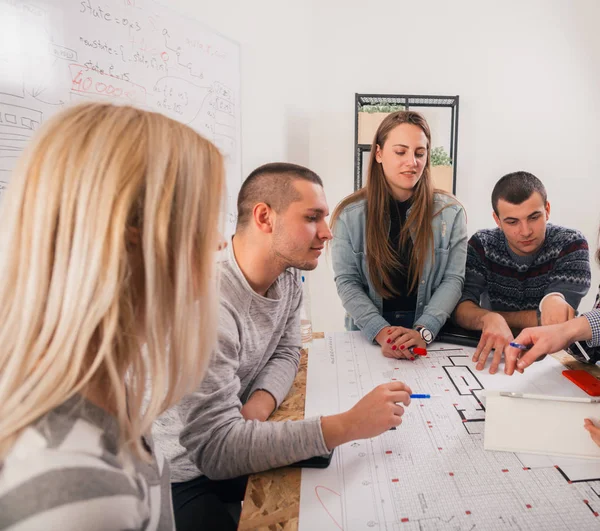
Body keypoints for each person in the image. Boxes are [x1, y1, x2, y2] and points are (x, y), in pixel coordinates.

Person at [0, 102, 225, 530]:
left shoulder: (106, 394)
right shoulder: (75, 492)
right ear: (138, 238)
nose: (218, 242)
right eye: (205, 219)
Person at [152, 163, 413, 531]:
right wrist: (349, 425)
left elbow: (287, 351)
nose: (327, 233)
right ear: (264, 217)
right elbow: (216, 450)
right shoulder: (205, 303)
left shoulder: (287, 276)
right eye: (312, 217)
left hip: (235, 437)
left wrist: (257, 407)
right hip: (178, 472)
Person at [330, 111, 468, 359]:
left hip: (430, 336)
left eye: (419, 153)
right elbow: (347, 282)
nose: (412, 162)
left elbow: (453, 279)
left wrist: (424, 330)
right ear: (380, 153)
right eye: (400, 152)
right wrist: (382, 332)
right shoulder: (349, 215)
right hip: (370, 338)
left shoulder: (451, 211)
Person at [454, 171, 591, 373]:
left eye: (534, 217)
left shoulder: (571, 244)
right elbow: (460, 309)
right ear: (497, 220)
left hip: (552, 360)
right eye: (512, 222)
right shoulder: (482, 244)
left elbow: (555, 320)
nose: (525, 231)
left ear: (547, 210)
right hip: (493, 353)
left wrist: (490, 316)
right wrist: (488, 319)